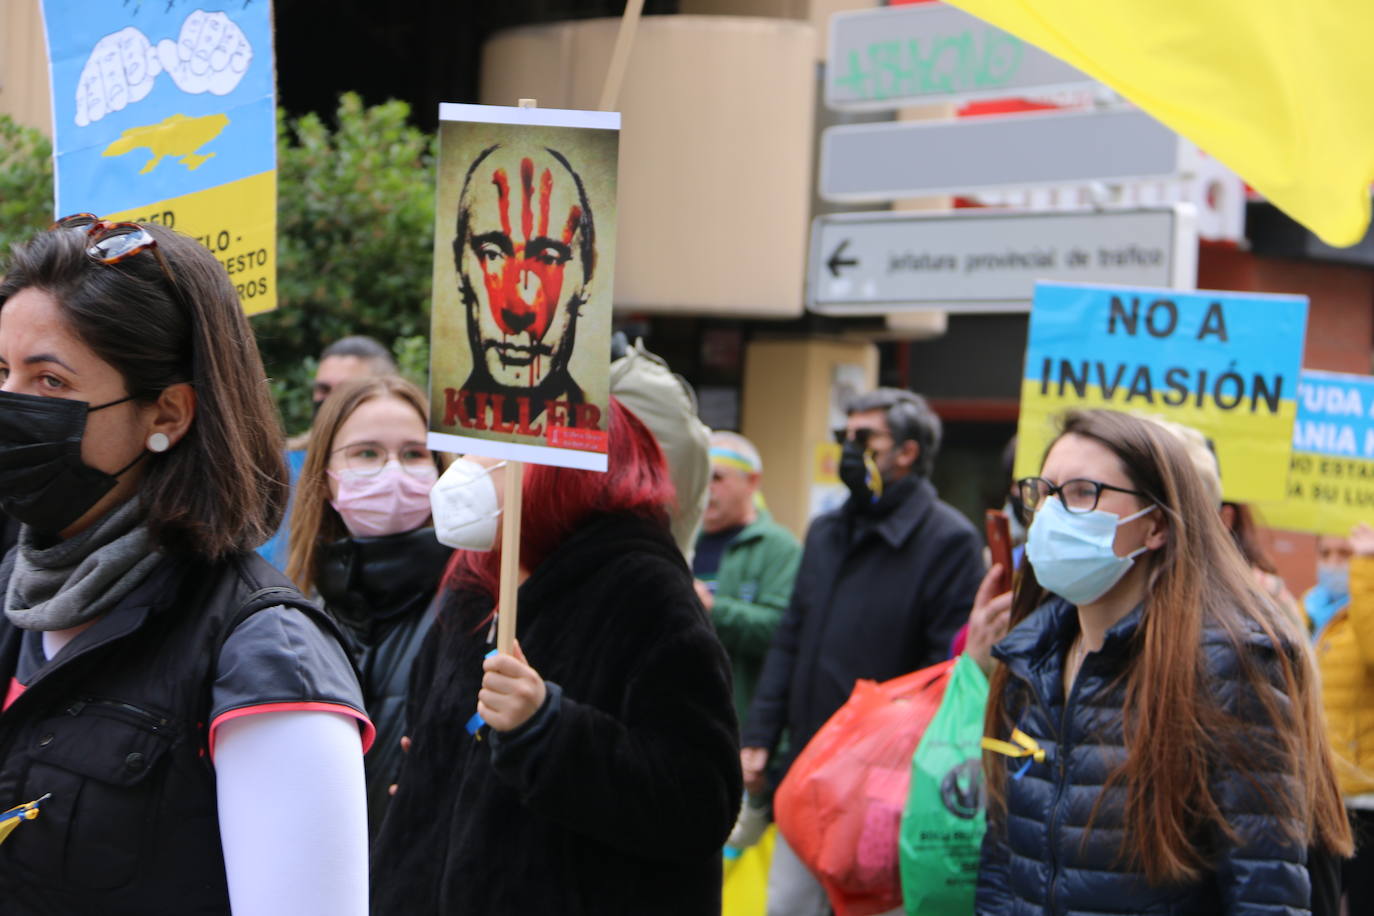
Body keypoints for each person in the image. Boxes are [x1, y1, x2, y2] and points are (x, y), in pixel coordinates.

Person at [0, 217, 371, 914]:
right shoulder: (15, 597)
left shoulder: (265, 657)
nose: (13, 404)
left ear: (165, 412)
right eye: (1, 373)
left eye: (49, 380)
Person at [371, 398, 742, 915]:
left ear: (562, 469)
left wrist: (547, 728)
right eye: (467, 451)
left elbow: (699, 804)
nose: (465, 472)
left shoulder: (644, 593)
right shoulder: (471, 583)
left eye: (489, 454)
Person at [977, 408, 1352, 915]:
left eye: (1083, 493)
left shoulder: (1228, 664)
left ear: (1155, 525)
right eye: (1042, 492)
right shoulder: (1029, 659)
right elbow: (1003, 859)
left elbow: (1265, 890)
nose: (1050, 514)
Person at [741, 388, 984, 916]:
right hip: (809, 766)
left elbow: (944, 675)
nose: (849, 450)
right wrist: (760, 735)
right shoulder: (827, 530)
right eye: (842, 437)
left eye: (864, 438)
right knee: (787, 906)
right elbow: (791, 636)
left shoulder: (949, 541)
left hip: (887, 785)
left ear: (907, 452)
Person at [285, 375, 450, 839]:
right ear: (325, 478)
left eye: (415, 454)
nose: (393, 471)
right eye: (367, 453)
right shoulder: (293, 618)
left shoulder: (477, 612)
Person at [449, 142, 598, 428]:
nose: (519, 307)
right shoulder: (436, 453)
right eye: (492, 254)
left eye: (549, 258)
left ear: (588, 274)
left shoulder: (608, 445)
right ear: (459, 265)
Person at [693, 431, 801, 723]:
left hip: (741, 722)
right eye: (700, 476)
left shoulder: (777, 547)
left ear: (752, 482)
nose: (706, 487)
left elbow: (781, 631)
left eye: (717, 477)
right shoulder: (682, 544)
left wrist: (711, 608)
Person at [264, 335, 398, 570]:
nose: (331, 402)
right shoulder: (276, 468)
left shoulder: (402, 476)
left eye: (347, 391)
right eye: (323, 390)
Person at [1307, 525, 1374, 915]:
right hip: (1319, 795)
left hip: (1363, 800)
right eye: (1326, 553)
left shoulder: (1365, 610)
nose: (1334, 564)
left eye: (1345, 554)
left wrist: (1366, 570)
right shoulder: (1305, 609)